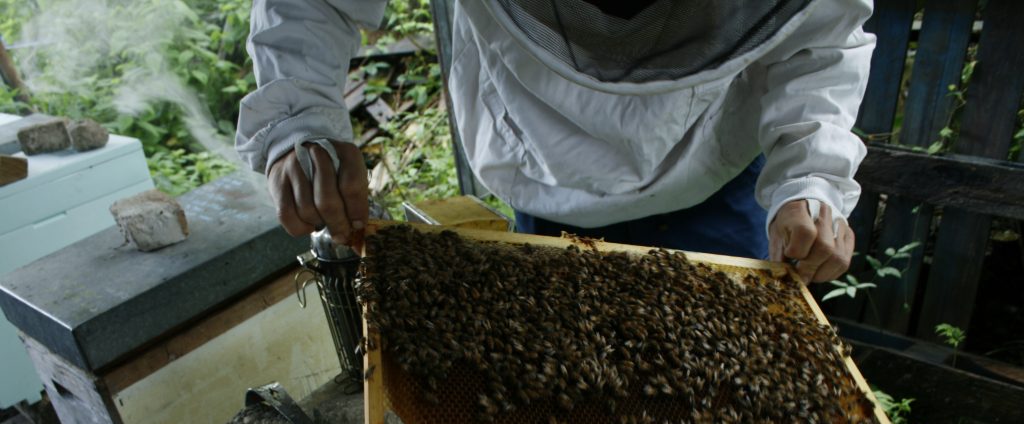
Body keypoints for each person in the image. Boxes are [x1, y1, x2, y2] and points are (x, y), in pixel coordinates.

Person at [236, 0, 872, 283]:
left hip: (714, 177)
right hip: (544, 174)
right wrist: (297, 113)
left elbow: (820, 41)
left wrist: (810, 175)